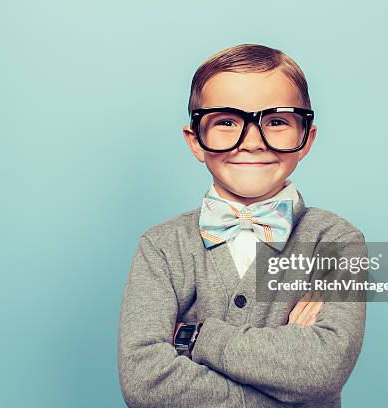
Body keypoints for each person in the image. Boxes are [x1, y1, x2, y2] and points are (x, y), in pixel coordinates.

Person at [118, 43, 367, 408]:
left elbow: (322, 369)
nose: (251, 143)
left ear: (306, 138)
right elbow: (145, 382)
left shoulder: (338, 242)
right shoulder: (160, 246)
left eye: (276, 121)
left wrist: (195, 337)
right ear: (195, 141)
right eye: (227, 122)